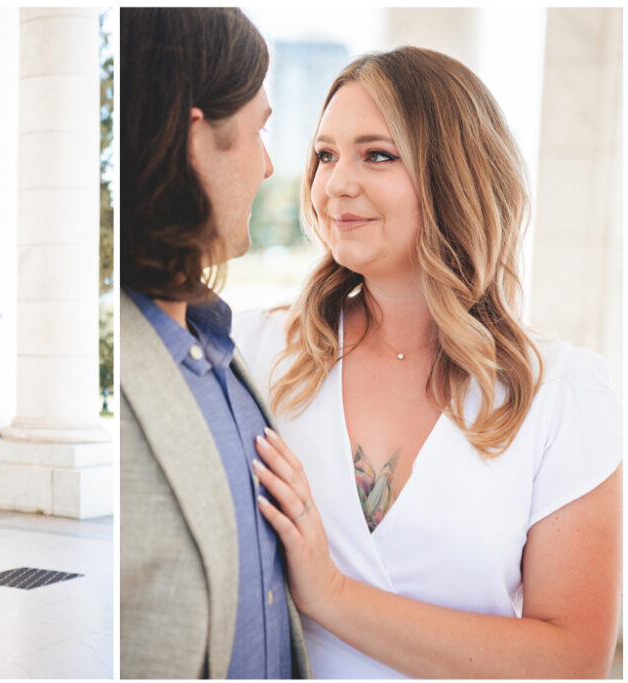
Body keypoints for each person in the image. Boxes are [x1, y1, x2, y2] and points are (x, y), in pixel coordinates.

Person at [233, 46, 622, 678]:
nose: (335, 184)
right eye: (325, 155)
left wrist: (331, 594)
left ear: (456, 175)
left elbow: (571, 661)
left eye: (377, 154)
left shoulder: (561, 393)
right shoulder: (255, 352)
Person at [120, 7, 310, 679]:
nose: (269, 166)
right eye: (260, 129)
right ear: (195, 139)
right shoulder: (130, 372)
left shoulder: (224, 355)